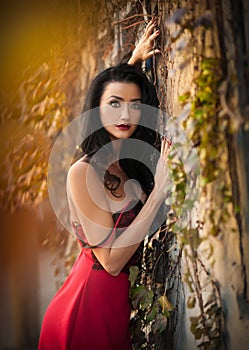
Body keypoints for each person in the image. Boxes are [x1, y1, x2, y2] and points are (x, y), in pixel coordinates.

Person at [38, 20, 172, 350]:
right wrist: (160, 190)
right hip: (87, 305)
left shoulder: (121, 159)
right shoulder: (82, 173)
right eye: (114, 103)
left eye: (135, 105)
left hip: (114, 305)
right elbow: (111, 262)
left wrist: (132, 63)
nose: (125, 113)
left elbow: (120, 109)